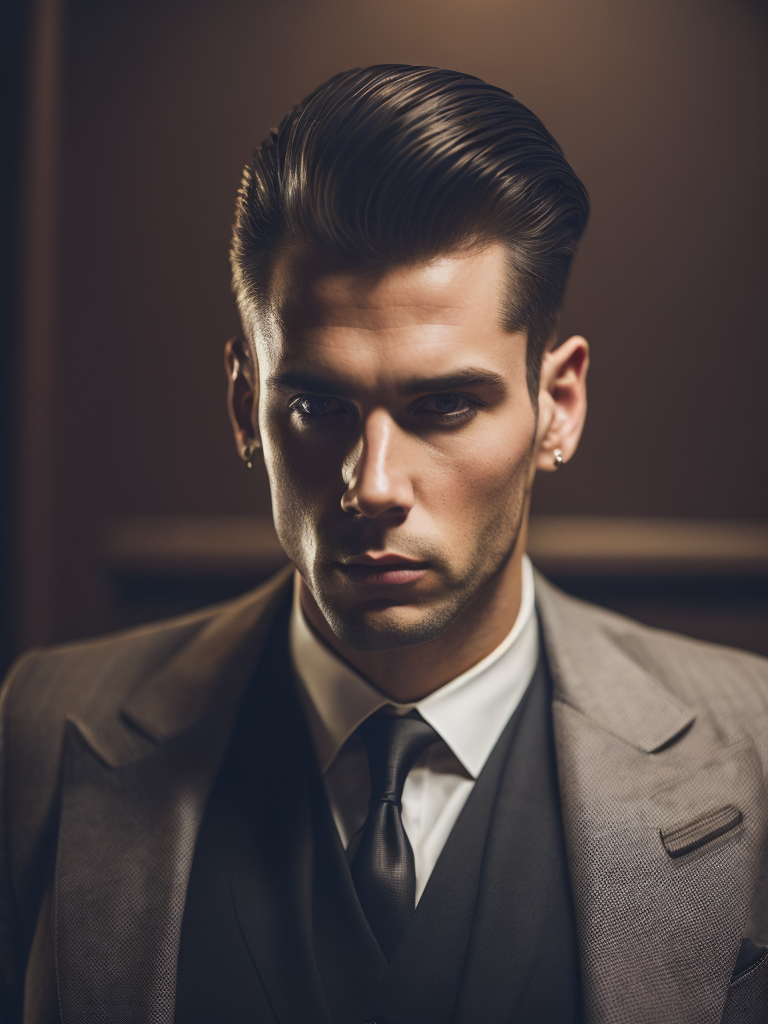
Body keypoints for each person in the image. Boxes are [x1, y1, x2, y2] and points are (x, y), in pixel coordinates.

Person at [1, 64, 767, 1024]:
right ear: (247, 405)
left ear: (556, 405)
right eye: (316, 405)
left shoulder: (755, 750)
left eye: (444, 405)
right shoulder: (39, 731)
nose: (372, 485)